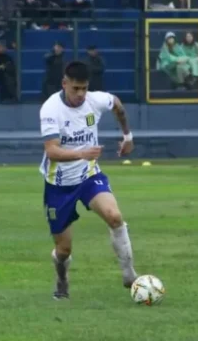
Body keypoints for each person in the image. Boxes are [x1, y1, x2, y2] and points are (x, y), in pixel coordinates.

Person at [39, 61, 137, 299]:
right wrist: (82, 153)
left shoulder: (95, 100)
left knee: (114, 216)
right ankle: (62, 278)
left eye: (84, 88)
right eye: (76, 89)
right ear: (64, 84)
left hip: (88, 176)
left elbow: (117, 105)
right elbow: (52, 151)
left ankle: (129, 275)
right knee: (64, 250)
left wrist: (127, 136)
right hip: (59, 185)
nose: (81, 94)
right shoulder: (51, 109)